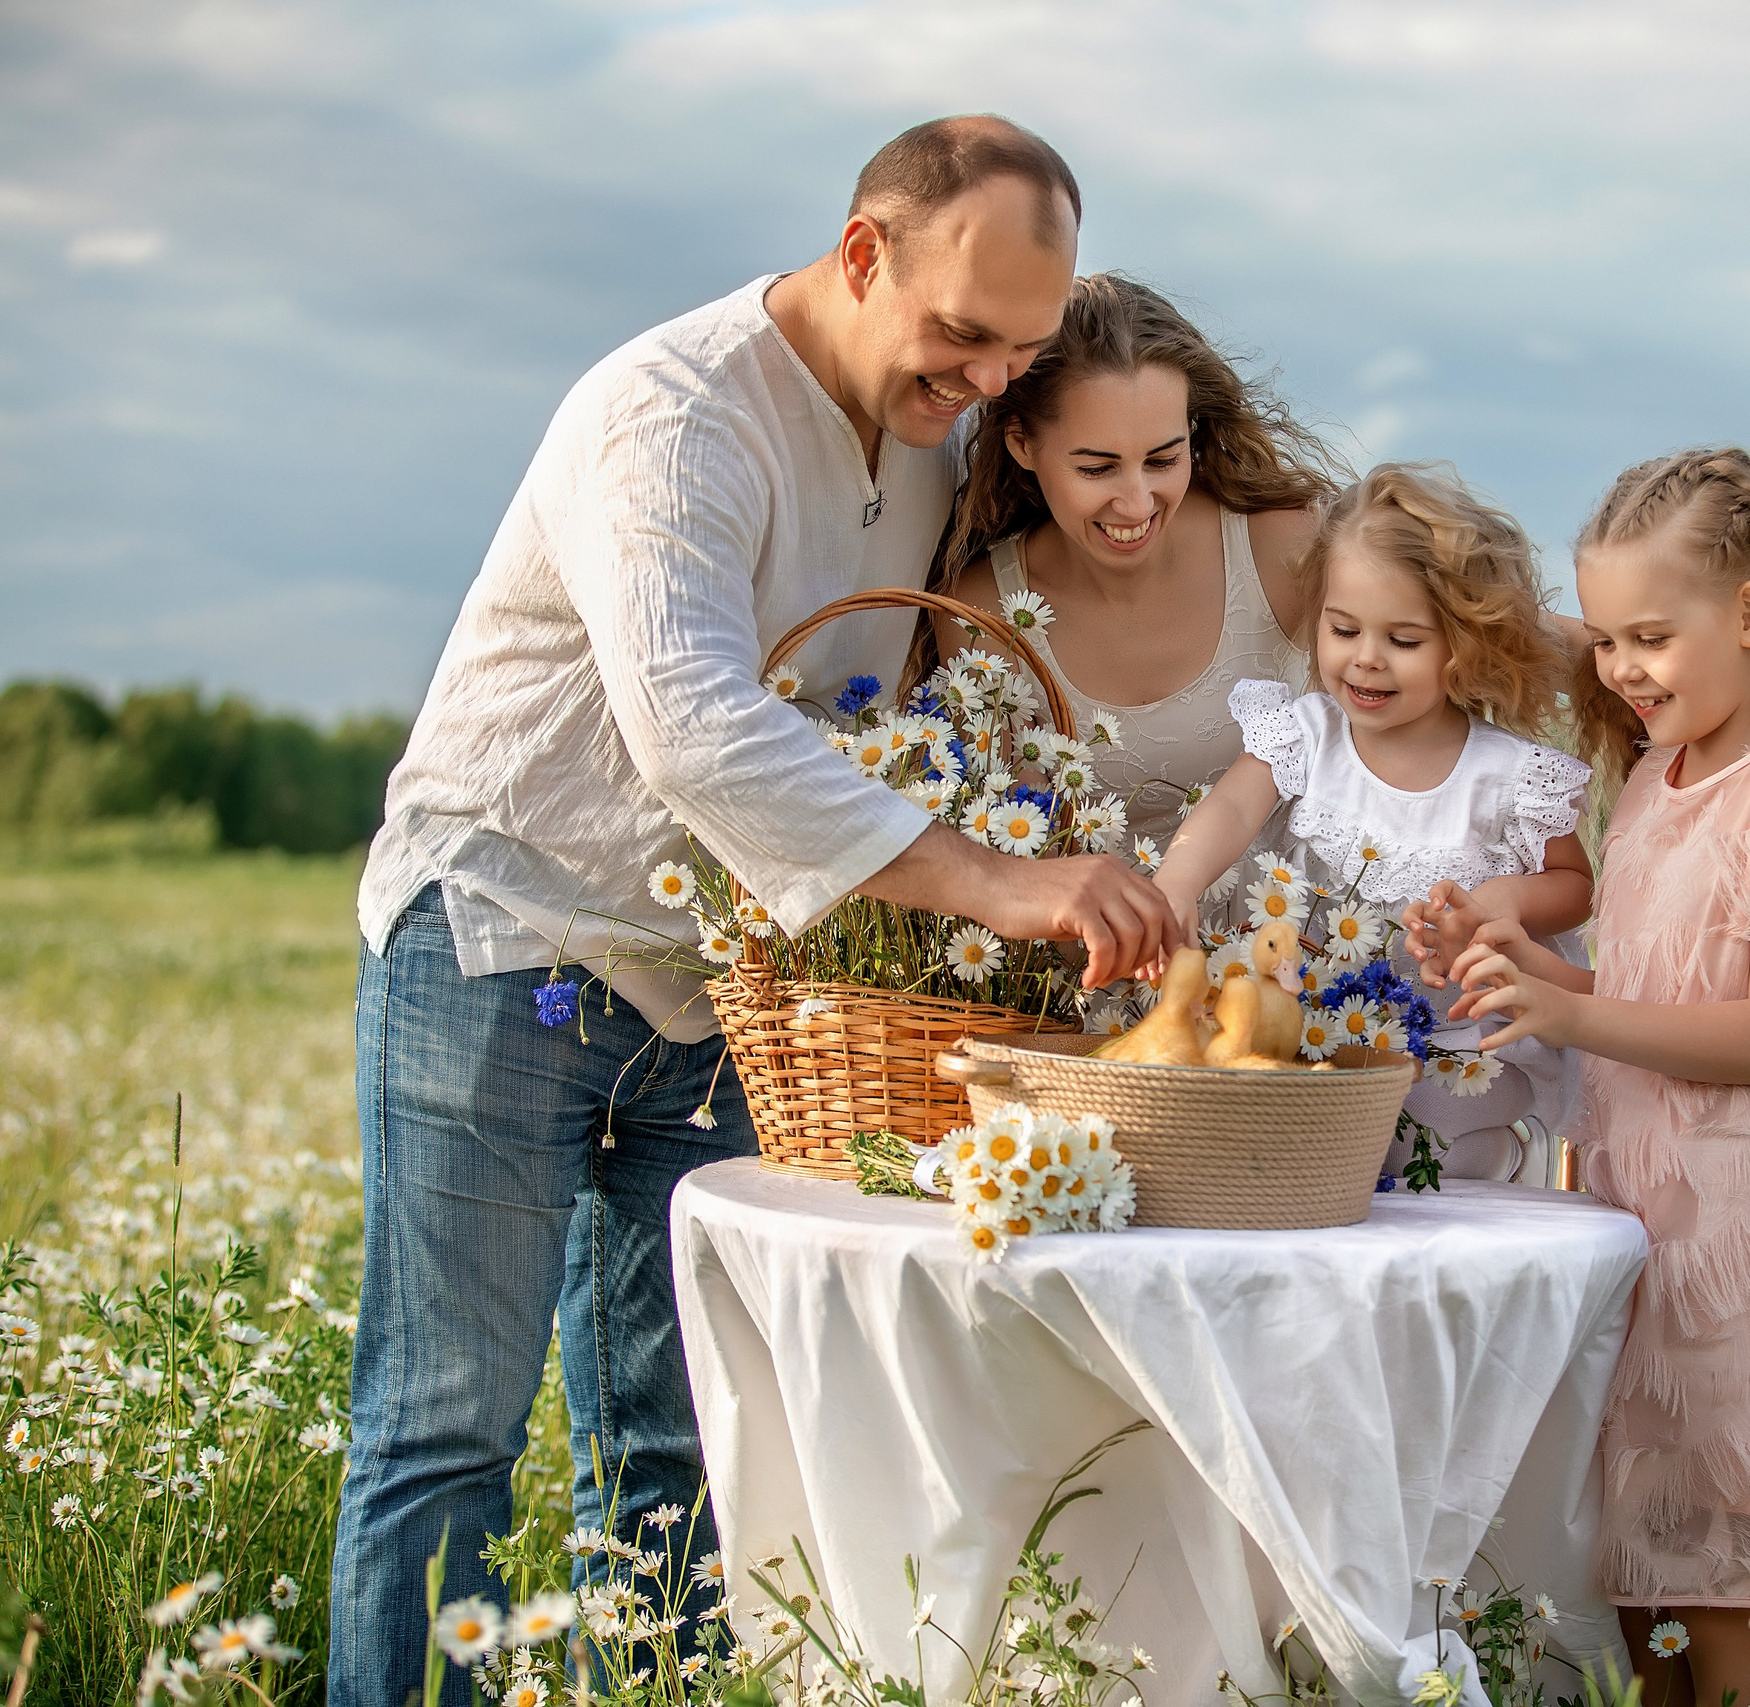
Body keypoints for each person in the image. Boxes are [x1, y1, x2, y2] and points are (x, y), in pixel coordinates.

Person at [335, 117, 1175, 1704]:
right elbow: (695, 723)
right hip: (505, 939)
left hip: (730, 990)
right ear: (863, 252)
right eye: (963, 335)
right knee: (443, 1430)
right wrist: (1000, 880)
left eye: (1021, 351)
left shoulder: (934, 435)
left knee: (682, 1441)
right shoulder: (673, 410)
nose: (988, 381)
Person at [1440, 448, 1750, 1707]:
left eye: (1651, 637)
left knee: (1731, 1602)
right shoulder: (1657, 776)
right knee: (1646, 1603)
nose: (1620, 668)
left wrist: (1573, 1011)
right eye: (1606, 638)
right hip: (1642, 1235)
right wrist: (1522, 964)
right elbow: (1651, 987)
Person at [1153, 464, 1593, 1178]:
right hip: (1312, 1036)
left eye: (1404, 640)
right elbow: (1231, 808)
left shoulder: (1507, 776)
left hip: (1451, 1057)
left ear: (1463, 645)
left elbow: (1575, 884)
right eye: (1343, 628)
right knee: (1292, 1165)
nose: (1365, 659)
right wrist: (1177, 880)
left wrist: (1503, 900)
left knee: (1439, 1175)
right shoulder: (1307, 734)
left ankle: (1479, 1182)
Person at [930, 274, 1340, 849]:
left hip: (1309, 904)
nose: (1137, 503)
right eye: (1097, 469)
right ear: (1022, 444)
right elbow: (1019, 843)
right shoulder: (982, 613)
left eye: (1163, 460)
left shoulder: (1283, 543)